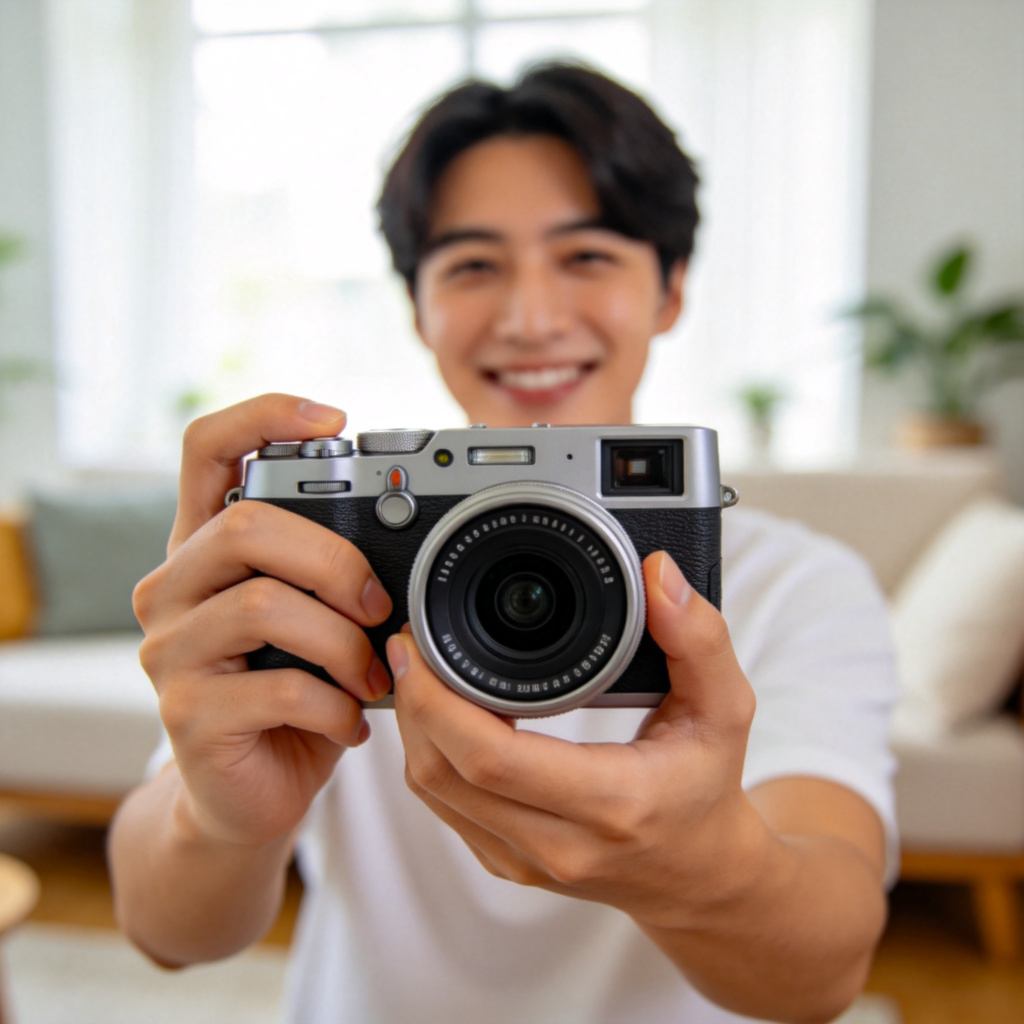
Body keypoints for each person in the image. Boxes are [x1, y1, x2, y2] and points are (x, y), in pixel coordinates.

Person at [109, 62, 897, 1024]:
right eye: (473, 265)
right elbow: (165, 932)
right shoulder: (339, 568)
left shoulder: (793, 586)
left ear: (671, 290)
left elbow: (824, 971)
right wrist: (223, 817)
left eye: (589, 256)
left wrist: (701, 872)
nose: (530, 319)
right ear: (417, 307)